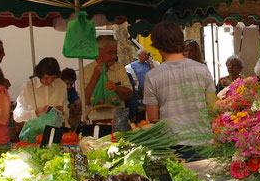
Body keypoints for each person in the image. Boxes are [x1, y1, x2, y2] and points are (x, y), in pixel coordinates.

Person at [142, 21, 216, 158]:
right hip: (203, 141)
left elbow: (153, 119)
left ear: (158, 46)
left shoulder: (152, 76)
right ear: (180, 42)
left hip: (171, 145)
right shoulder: (202, 69)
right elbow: (213, 108)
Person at [84, 35, 133, 123]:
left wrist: (117, 88)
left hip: (118, 121)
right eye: (110, 52)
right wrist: (95, 76)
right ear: (98, 51)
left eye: (115, 52)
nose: (114, 56)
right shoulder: (86, 71)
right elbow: (86, 100)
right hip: (95, 121)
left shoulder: (119, 68)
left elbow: (129, 95)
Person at [13, 57, 68, 123]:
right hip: (35, 130)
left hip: (56, 129)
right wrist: (35, 112)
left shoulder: (61, 85)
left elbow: (66, 110)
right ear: (39, 74)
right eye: (45, 78)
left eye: (53, 78)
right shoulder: (28, 87)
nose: (49, 81)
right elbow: (17, 115)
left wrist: (62, 111)